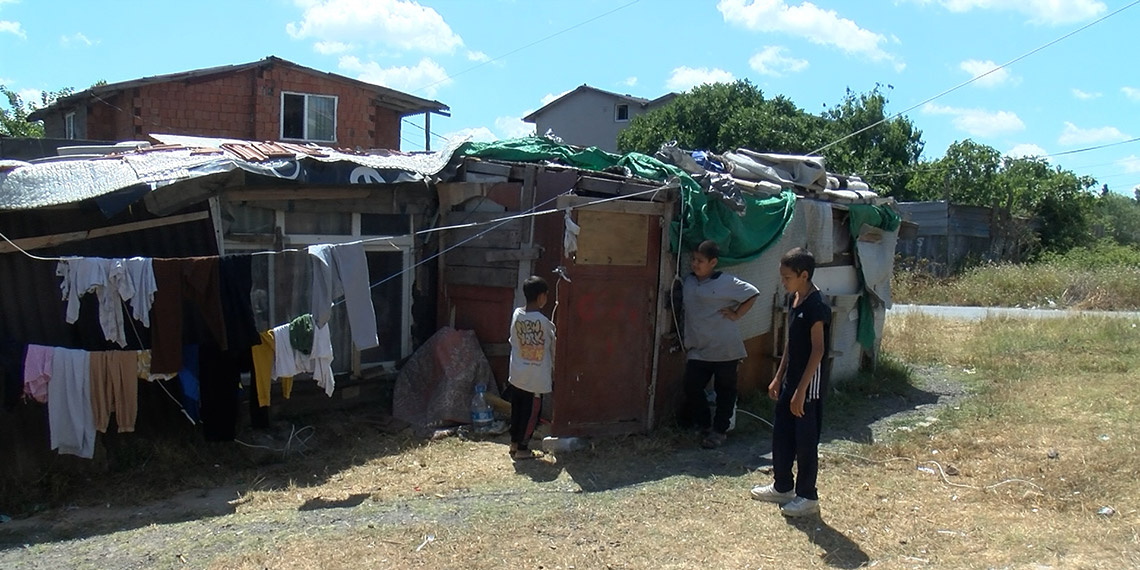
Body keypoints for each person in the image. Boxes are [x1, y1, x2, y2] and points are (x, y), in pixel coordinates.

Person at [751, 247, 830, 517]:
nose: (783, 282)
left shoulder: (816, 306)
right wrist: (778, 377)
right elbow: (791, 343)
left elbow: (817, 351)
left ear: (804, 275)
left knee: (805, 441)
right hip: (790, 382)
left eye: (787, 277)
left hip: (809, 386)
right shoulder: (794, 299)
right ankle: (782, 486)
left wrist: (801, 391)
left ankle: (808, 495)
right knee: (781, 433)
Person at [680, 240, 760, 449]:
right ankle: (705, 425)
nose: (695, 264)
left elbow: (752, 293)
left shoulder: (725, 282)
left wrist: (736, 314)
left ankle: (719, 431)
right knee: (692, 385)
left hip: (725, 347)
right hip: (699, 348)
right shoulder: (689, 282)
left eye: (700, 261)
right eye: (693, 260)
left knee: (725, 391)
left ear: (713, 262)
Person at [507, 275, 556, 461]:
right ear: (542, 296)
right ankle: (523, 448)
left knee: (517, 410)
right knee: (531, 414)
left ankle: (513, 443)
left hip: (517, 373)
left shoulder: (517, 315)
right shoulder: (545, 323)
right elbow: (553, 348)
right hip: (534, 378)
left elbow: (512, 340)